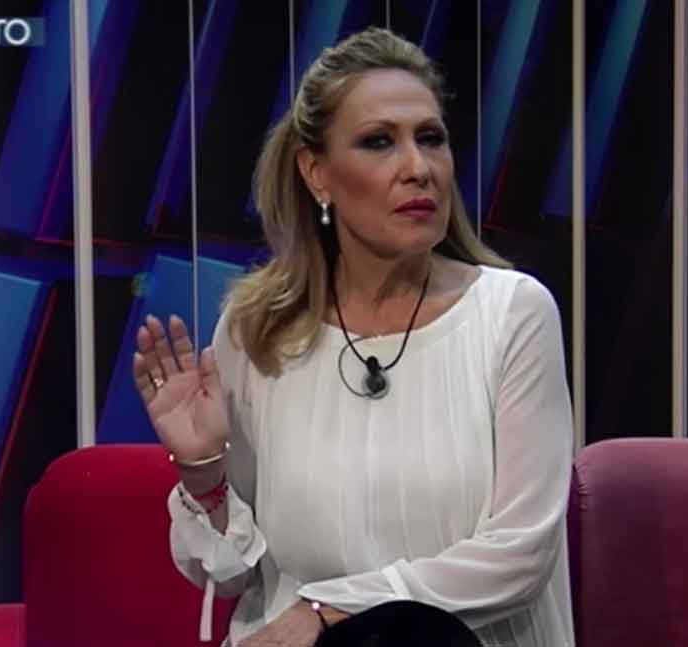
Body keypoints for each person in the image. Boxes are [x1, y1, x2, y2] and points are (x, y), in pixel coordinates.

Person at [133, 27, 574, 647]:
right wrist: (203, 473)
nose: (418, 168)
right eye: (379, 142)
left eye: (431, 138)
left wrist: (328, 610)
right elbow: (231, 576)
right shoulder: (257, 330)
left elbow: (520, 554)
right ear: (316, 174)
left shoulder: (513, 314)